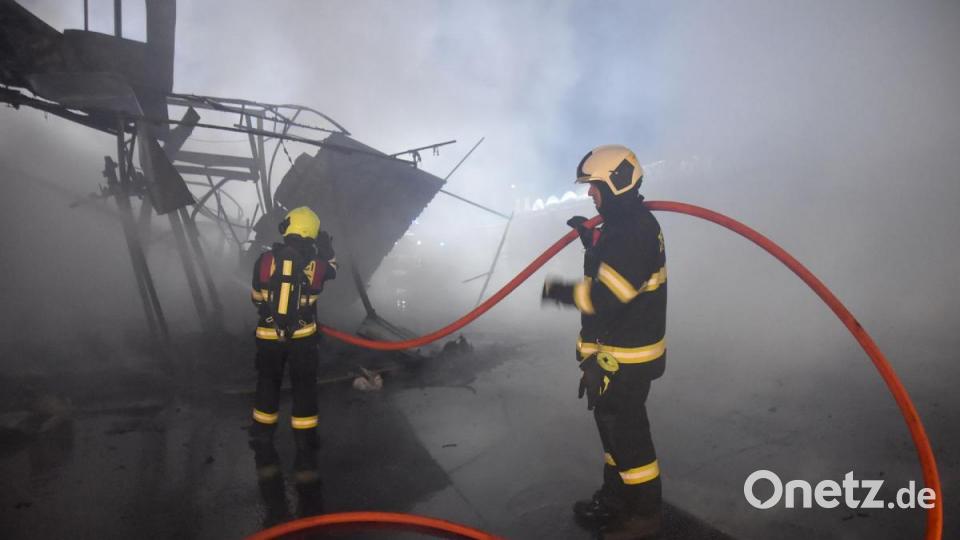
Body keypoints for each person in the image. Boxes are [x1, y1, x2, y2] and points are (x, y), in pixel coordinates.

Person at [541, 145, 667, 538]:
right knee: (614, 436)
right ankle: (615, 500)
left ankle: (644, 517)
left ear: (615, 181)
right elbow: (611, 271)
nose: (589, 194)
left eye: (594, 186)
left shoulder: (633, 231)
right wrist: (591, 243)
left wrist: (556, 291)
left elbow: (604, 300)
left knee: (629, 440)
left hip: (626, 359)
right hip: (614, 356)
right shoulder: (624, 226)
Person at [249, 206, 337, 478]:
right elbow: (334, 269)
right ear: (312, 233)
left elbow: (255, 298)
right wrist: (326, 249)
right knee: (304, 389)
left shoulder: (264, 261)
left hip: (268, 337)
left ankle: (263, 437)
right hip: (302, 339)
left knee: (267, 385)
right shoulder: (317, 266)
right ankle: (305, 444)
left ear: (287, 229)